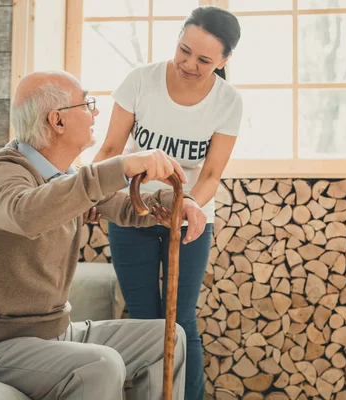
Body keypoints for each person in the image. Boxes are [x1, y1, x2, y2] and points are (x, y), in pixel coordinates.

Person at [0, 70, 209, 400]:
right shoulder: (0, 171)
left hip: (54, 334)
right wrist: (121, 166)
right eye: (87, 104)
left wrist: (179, 201)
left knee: (168, 337)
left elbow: (127, 208)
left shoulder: (63, 176)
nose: (96, 112)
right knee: (102, 364)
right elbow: (27, 214)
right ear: (58, 121)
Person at [92, 6, 243, 399]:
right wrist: (85, 193)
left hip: (190, 217)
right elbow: (110, 148)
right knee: (144, 319)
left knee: (180, 322)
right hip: (132, 212)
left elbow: (210, 175)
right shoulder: (140, 81)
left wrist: (189, 205)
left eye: (205, 59)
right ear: (177, 39)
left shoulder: (228, 102)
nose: (189, 64)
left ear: (224, 60)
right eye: (184, 50)